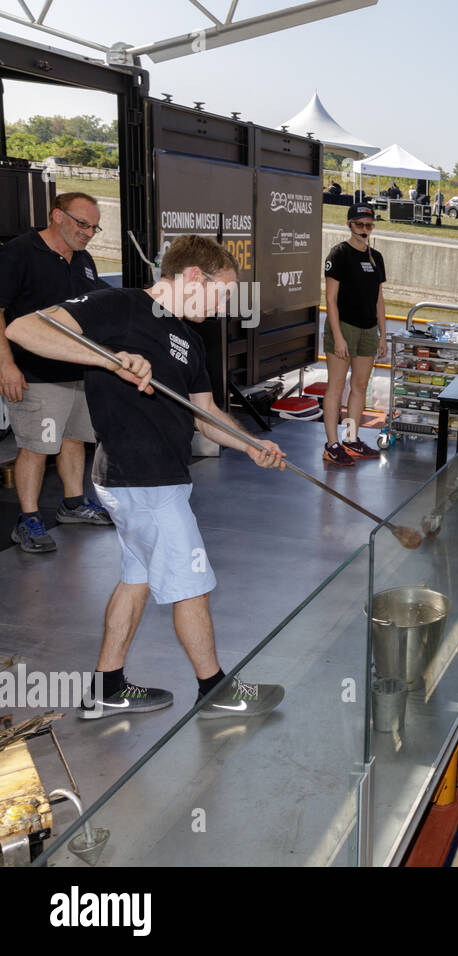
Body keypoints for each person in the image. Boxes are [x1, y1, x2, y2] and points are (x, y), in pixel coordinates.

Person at [4, 235, 287, 719]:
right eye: (221, 293)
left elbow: (205, 414)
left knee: (136, 580)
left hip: (160, 477)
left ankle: (106, 687)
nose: (223, 306)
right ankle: (215, 691)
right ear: (193, 277)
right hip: (140, 477)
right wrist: (107, 358)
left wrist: (251, 444)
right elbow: (25, 329)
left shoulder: (192, 340)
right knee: (190, 583)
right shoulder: (121, 306)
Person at [0, 192, 113, 553]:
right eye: (83, 224)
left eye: (95, 227)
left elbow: (96, 305)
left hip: (78, 370)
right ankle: (29, 519)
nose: (89, 233)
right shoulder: (19, 252)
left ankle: (74, 503)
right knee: (36, 447)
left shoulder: (83, 259)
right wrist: (6, 366)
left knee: (74, 440)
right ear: (57, 216)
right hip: (34, 372)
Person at [322, 203, 387, 466]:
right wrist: (338, 337)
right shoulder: (339, 254)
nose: (364, 230)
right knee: (336, 387)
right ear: (349, 225)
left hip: (368, 328)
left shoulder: (376, 257)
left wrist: (382, 334)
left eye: (368, 225)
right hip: (344, 326)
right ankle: (331, 444)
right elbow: (331, 298)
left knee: (359, 387)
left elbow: (379, 299)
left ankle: (350, 438)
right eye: (359, 225)